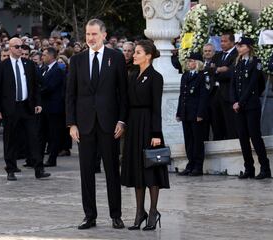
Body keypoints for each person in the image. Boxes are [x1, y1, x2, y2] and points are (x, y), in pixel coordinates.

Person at [66, 19, 127, 230]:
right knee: (86, 173)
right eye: (87, 34)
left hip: (109, 125)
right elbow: (70, 95)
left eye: (94, 34)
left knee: (112, 171)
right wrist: (71, 124)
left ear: (104, 34)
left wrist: (121, 120)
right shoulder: (77, 60)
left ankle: (116, 215)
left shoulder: (116, 58)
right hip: (84, 126)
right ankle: (89, 215)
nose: (90, 38)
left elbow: (123, 93)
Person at [121, 40, 169, 231]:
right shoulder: (132, 75)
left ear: (148, 55)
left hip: (149, 126)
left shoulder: (156, 77)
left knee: (150, 170)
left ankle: (153, 211)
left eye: (138, 52)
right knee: (136, 170)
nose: (134, 55)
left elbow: (156, 106)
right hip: (134, 125)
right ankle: (139, 212)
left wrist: (156, 133)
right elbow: (126, 102)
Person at [0, 37, 50, 181]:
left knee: (34, 138)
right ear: (10, 48)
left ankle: (38, 168)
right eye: (17, 47)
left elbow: (36, 85)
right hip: (10, 108)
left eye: (21, 47)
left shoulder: (28, 64)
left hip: (27, 106)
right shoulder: (2, 66)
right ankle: (10, 169)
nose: (20, 49)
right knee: (10, 139)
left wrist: (38, 103)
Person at [230, 37, 271, 180]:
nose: (238, 48)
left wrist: (241, 102)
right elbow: (233, 85)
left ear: (248, 47)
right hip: (238, 107)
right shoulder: (238, 63)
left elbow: (254, 85)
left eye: (241, 46)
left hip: (251, 105)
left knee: (255, 136)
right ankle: (249, 168)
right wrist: (234, 101)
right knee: (242, 137)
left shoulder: (256, 63)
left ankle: (265, 168)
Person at [176, 53, 209, 176]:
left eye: (191, 61)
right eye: (188, 61)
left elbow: (203, 97)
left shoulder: (202, 76)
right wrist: (179, 112)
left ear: (198, 63)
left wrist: (200, 113)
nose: (189, 63)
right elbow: (182, 95)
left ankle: (198, 166)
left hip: (196, 113)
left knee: (197, 140)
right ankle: (190, 163)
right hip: (186, 112)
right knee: (188, 140)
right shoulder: (185, 76)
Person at [40, 47, 66, 167]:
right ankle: (40, 158)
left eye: (44, 55)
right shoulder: (44, 69)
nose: (42, 57)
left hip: (54, 108)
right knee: (44, 133)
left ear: (51, 56)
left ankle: (52, 158)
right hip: (45, 108)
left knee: (54, 134)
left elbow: (49, 87)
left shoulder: (57, 70)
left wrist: (37, 92)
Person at [212, 32, 238, 140]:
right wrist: (219, 69)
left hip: (229, 93)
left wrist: (217, 70)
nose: (222, 44)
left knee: (230, 122)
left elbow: (230, 73)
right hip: (217, 94)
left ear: (232, 42)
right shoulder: (217, 55)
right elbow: (210, 71)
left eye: (225, 41)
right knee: (217, 121)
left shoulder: (236, 54)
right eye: (221, 41)